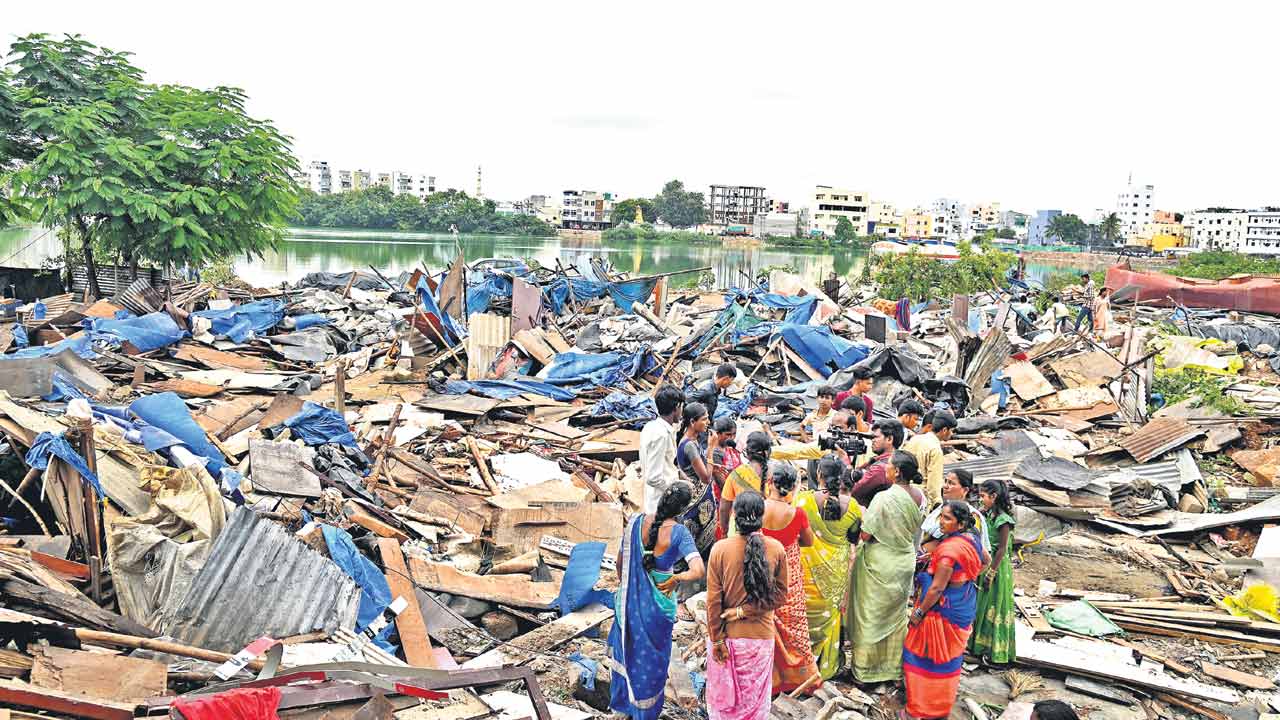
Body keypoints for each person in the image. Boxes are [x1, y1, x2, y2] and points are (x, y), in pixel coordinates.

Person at [608, 483, 705, 720]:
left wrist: (631, 591)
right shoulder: (679, 533)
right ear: (683, 508)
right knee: (650, 665)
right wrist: (675, 579)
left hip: (628, 605)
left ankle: (623, 710)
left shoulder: (635, 523)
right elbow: (698, 570)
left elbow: (620, 564)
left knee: (626, 654)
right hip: (658, 609)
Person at [705, 491, 788, 720]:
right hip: (759, 641)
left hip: (727, 640)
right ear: (762, 516)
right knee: (754, 706)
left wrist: (717, 639)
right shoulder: (777, 549)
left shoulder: (719, 550)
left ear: (733, 515)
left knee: (725, 707)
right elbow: (780, 596)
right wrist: (745, 611)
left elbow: (712, 602)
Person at [902, 501, 987, 720]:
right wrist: (965, 577)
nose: (941, 521)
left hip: (943, 608)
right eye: (941, 516)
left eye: (947, 518)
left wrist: (919, 613)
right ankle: (941, 707)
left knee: (921, 653)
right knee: (950, 658)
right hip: (964, 600)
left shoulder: (949, 550)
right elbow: (985, 560)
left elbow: (937, 588)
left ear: (960, 523)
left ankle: (919, 710)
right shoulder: (972, 538)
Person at [847, 451, 926, 684]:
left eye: (889, 467)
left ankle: (865, 671)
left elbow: (867, 534)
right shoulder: (920, 497)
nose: (885, 470)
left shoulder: (884, 498)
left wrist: (861, 516)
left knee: (871, 616)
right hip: (904, 562)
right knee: (895, 618)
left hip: (880, 563)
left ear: (898, 471)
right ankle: (891, 669)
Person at [798, 456, 861, 679]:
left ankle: (798, 666)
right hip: (837, 571)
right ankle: (825, 667)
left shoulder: (803, 501)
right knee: (831, 615)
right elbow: (854, 539)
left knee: (802, 614)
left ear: (818, 476)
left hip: (807, 570)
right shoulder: (853, 507)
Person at [761, 462, 819, 694]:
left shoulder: (759, 508)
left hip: (763, 572)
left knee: (765, 622)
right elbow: (808, 541)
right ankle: (799, 680)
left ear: (771, 483)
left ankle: (771, 679)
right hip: (788, 576)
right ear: (794, 486)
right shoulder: (797, 514)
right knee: (794, 628)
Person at [970, 479, 1017, 666]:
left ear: (994, 496)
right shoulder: (986, 514)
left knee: (994, 603)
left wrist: (991, 572)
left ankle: (995, 651)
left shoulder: (1003, 520)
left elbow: (1002, 548)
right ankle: (978, 646)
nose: (981, 500)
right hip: (985, 561)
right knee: (982, 603)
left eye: (983, 496)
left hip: (997, 565)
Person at [920, 469, 990, 558]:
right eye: (945, 481)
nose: (945, 486)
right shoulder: (941, 508)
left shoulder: (971, 515)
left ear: (965, 490)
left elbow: (971, 551)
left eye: (951, 483)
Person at [640, 385, 684, 515]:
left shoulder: (652, 427)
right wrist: (676, 487)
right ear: (676, 408)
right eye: (681, 408)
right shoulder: (661, 435)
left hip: (659, 497)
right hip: (661, 502)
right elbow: (653, 478)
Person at [718, 431, 771, 537]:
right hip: (768, 531)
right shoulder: (776, 475)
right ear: (768, 452)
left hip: (739, 531)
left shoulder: (736, 474)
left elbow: (724, 508)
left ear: (748, 452)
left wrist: (724, 531)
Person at [902, 409, 954, 506]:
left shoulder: (915, 439)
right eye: (951, 431)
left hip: (904, 490)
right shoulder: (935, 449)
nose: (952, 434)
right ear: (944, 430)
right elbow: (934, 484)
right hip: (920, 497)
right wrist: (937, 504)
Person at [850, 419, 903, 507]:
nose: (872, 440)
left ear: (889, 439)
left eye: (876, 437)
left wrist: (846, 463)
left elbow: (853, 492)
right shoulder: (897, 460)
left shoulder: (880, 469)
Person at [676, 403, 712, 484]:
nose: (708, 422)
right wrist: (711, 447)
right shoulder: (689, 445)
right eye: (704, 419)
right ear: (692, 422)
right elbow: (706, 479)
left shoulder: (694, 438)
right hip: (694, 491)